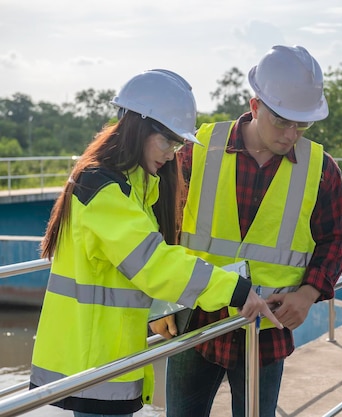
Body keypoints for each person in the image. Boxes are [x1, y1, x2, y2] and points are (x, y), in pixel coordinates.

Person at [29, 69, 281, 417]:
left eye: (178, 144)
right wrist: (236, 290)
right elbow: (153, 263)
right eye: (168, 141)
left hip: (111, 355)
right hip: (92, 361)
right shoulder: (100, 188)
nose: (172, 153)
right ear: (139, 127)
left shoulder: (135, 184)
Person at [159, 45, 342, 417]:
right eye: (282, 120)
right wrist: (159, 304)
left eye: (303, 124)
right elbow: (162, 229)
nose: (291, 134)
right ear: (255, 106)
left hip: (266, 328)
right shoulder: (196, 151)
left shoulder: (320, 169)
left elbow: (336, 238)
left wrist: (309, 293)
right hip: (195, 318)